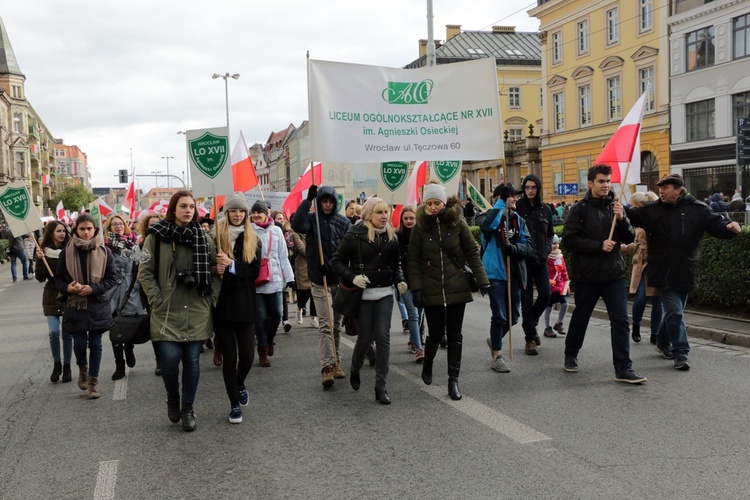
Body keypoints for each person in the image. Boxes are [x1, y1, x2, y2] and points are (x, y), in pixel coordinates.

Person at [626, 174, 741, 370]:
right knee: (676, 312)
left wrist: (729, 227)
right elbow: (633, 216)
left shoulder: (698, 209)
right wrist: (619, 211)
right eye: (660, 188)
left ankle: (662, 340)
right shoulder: (653, 210)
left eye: (666, 187)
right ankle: (681, 352)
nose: (661, 191)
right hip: (663, 271)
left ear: (679, 189)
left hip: (687, 269)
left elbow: (715, 224)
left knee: (674, 313)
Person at [138, 190, 220, 431]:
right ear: (173, 209)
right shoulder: (156, 237)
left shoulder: (204, 238)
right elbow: (144, 272)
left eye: (191, 207)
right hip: (166, 310)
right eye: (183, 206)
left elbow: (217, 270)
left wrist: (211, 299)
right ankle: (172, 396)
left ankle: (188, 408)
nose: (188, 210)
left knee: (192, 360)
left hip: (197, 308)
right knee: (171, 360)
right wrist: (157, 299)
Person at [562, 164, 646, 384]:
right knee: (581, 317)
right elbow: (569, 240)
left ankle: (623, 367)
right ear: (590, 183)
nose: (606, 185)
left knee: (620, 320)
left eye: (608, 181)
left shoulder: (616, 207)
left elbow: (629, 237)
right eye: (601, 181)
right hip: (587, 276)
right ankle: (571, 353)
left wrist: (623, 219)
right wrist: (598, 245)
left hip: (613, 275)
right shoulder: (579, 209)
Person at [408, 183, 489, 400]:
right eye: (429, 203)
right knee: (435, 333)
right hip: (431, 286)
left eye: (437, 202)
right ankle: (428, 363)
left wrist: (483, 281)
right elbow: (413, 260)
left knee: (455, 335)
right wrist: (416, 288)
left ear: (444, 202)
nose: (433, 207)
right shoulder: (420, 227)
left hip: (456, 285)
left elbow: (471, 251)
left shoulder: (458, 222)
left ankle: (453, 380)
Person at [332, 197, 406, 404]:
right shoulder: (354, 234)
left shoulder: (391, 235)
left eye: (386, 212)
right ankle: (354, 368)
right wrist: (352, 276)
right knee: (364, 339)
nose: (384, 216)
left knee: (383, 338)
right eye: (379, 212)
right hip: (362, 297)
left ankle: (380, 386)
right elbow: (336, 260)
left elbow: (397, 263)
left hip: (384, 295)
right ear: (368, 215)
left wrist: (400, 280)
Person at [291, 185, 351, 388]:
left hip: (339, 281)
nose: (327, 205)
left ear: (335, 204)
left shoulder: (343, 222)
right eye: (323, 201)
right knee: (325, 324)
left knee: (336, 326)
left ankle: (337, 363)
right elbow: (296, 224)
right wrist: (307, 201)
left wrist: (338, 268)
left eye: (330, 202)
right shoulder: (310, 219)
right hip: (319, 280)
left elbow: (349, 250)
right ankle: (327, 367)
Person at [55, 214, 118, 398]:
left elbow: (112, 278)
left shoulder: (105, 252)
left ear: (95, 230)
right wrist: (68, 288)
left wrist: (93, 288)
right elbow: (57, 279)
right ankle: (83, 368)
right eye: (82, 229)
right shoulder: (65, 252)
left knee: (96, 344)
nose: (86, 232)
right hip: (75, 305)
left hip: (97, 303)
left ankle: (93, 381)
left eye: (89, 228)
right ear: (76, 230)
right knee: (80, 344)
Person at [214, 193, 261, 424]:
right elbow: (205, 265)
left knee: (248, 356)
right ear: (227, 212)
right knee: (230, 357)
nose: (238, 214)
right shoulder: (215, 235)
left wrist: (233, 265)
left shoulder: (253, 238)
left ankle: (240, 382)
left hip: (244, 303)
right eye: (234, 210)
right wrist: (216, 268)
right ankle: (234, 404)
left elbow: (254, 272)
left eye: (242, 211)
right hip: (221, 305)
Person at [479, 183, 533, 373]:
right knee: (500, 315)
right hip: (495, 274)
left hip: (515, 274)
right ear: (500, 198)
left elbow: (528, 247)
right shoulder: (487, 216)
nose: (515, 199)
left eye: (515, 196)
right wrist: (500, 204)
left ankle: (495, 339)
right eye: (510, 196)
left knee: (514, 316)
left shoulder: (519, 220)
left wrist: (514, 249)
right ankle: (497, 356)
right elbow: (488, 226)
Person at [250, 200, 294, 367]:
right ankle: (262, 351)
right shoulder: (249, 231)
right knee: (260, 317)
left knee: (277, 313)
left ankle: (269, 339)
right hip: (256, 280)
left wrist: (290, 278)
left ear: (266, 214)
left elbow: (284, 256)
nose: (256, 215)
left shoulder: (276, 230)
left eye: (259, 212)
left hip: (275, 279)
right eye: (253, 212)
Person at [104, 213, 146, 381]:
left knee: (128, 325)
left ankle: (129, 348)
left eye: (120, 224)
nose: (118, 227)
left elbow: (141, 265)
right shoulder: (105, 248)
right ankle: (119, 364)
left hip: (130, 289)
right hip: (112, 291)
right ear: (109, 228)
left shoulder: (135, 244)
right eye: (114, 224)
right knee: (115, 327)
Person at [515, 174, 554, 355]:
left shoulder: (545, 209)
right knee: (526, 300)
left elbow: (550, 233)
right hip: (523, 261)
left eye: (533, 187)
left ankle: (529, 322)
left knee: (546, 295)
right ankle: (530, 338)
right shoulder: (518, 207)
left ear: (538, 189)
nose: (530, 191)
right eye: (527, 187)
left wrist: (546, 250)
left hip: (540, 260)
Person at [620, 191, 663, 344]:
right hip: (642, 266)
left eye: (631, 205)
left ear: (639, 205)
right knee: (640, 300)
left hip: (657, 264)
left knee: (658, 302)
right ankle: (636, 325)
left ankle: (655, 333)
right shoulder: (638, 221)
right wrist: (623, 248)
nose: (629, 208)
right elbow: (638, 245)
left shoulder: (657, 217)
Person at [35, 221, 72, 383]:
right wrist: (40, 260)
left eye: (64, 231)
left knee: (66, 333)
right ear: (51, 233)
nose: (62, 234)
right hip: (51, 296)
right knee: (54, 332)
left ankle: (67, 366)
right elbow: (40, 278)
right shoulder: (43, 252)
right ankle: (57, 364)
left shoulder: (71, 251)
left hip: (67, 294)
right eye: (58, 231)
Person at [135, 211, 165, 375]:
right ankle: (159, 359)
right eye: (151, 225)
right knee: (156, 325)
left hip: (168, 288)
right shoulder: (142, 244)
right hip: (149, 290)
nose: (155, 227)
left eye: (158, 224)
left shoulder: (169, 240)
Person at [395, 205, 424, 362]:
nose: (408, 221)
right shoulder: (396, 237)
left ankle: (413, 341)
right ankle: (419, 349)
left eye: (411, 218)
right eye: (405, 218)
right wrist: (398, 279)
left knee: (419, 314)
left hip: (420, 281)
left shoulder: (422, 235)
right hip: (404, 281)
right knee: (412, 314)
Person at [290, 214, 318, 328]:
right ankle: (299, 309)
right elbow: (303, 250)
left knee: (314, 293)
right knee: (304, 293)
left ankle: (313, 318)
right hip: (302, 266)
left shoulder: (313, 231)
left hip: (314, 265)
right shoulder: (295, 234)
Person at [273, 210, 296, 333]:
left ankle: (285, 319)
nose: (281, 221)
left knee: (283, 295)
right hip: (273, 271)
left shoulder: (287, 233)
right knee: (276, 297)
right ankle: (275, 321)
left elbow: (289, 252)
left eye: (282, 218)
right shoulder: (272, 232)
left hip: (285, 267)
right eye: (278, 218)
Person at [543, 234, 569, 337]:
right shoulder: (547, 257)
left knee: (565, 304)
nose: (556, 246)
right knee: (548, 308)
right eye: (554, 243)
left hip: (560, 286)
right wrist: (547, 280)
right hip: (550, 287)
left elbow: (564, 271)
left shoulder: (560, 257)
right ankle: (547, 327)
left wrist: (566, 282)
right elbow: (544, 272)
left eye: (557, 243)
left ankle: (559, 323)